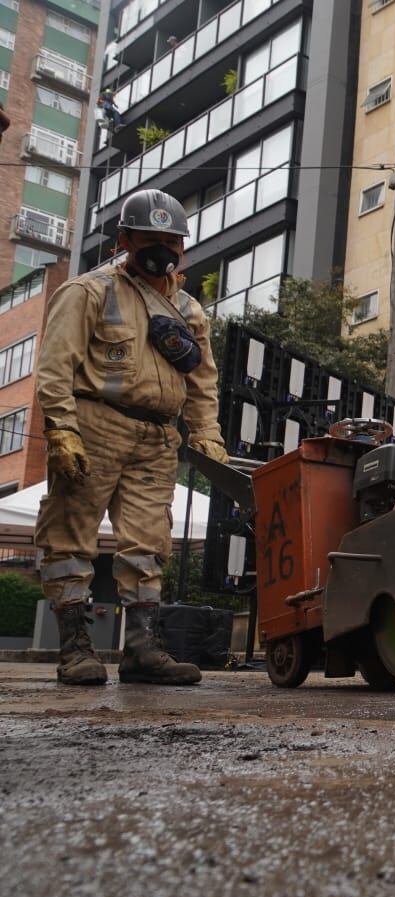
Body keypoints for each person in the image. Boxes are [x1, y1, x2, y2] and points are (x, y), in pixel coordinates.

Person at [35, 189, 228, 686]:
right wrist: (62, 429)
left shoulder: (188, 309)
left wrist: (207, 435)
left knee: (147, 545)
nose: (162, 248)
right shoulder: (88, 292)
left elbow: (203, 381)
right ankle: (75, 650)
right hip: (96, 424)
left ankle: (142, 649)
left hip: (159, 439)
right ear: (125, 239)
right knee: (70, 537)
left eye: (171, 240)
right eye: (151, 238)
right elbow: (56, 367)